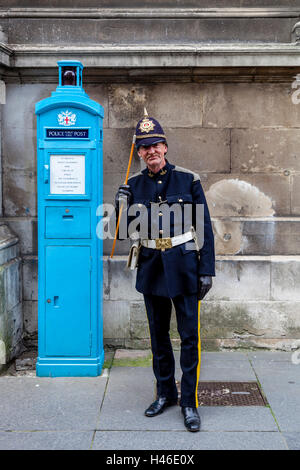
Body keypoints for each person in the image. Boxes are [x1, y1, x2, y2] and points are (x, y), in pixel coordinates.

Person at [115, 111, 215, 432]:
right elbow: (123, 232)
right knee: (158, 337)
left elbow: (205, 229)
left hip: (185, 267)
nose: (151, 151)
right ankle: (165, 394)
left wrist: (206, 270)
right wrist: (121, 204)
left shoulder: (188, 179)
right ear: (140, 152)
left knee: (188, 337)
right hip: (151, 267)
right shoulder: (133, 184)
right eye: (145, 147)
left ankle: (189, 402)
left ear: (165, 146)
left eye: (156, 144)